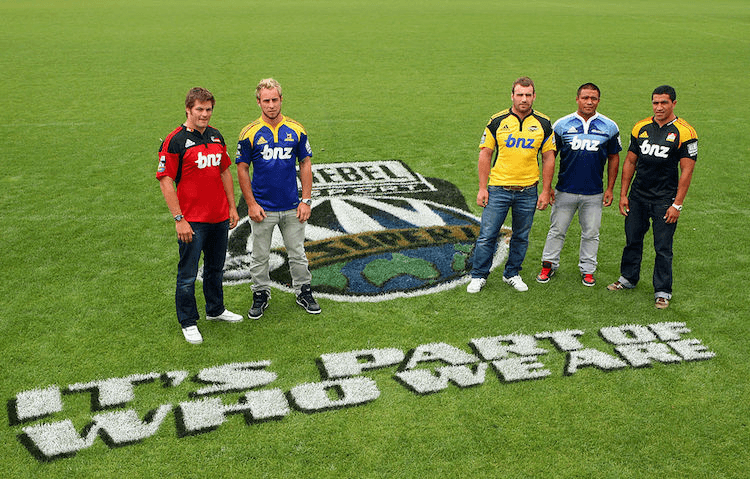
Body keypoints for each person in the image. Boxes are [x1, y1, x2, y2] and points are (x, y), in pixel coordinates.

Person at [157, 87, 243, 344]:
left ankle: (215, 310)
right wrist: (179, 218)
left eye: (208, 110)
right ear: (188, 109)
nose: (204, 114)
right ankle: (188, 321)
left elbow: (225, 172)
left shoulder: (216, 137)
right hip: (192, 222)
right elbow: (165, 180)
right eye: (199, 110)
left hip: (218, 218)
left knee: (215, 268)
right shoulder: (175, 140)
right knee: (187, 274)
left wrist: (231, 207)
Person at [236, 78, 320, 319]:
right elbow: (242, 169)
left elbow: (305, 163)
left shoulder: (296, 129)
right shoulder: (249, 133)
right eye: (266, 101)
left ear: (281, 99)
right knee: (260, 255)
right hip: (263, 208)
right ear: (258, 102)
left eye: (275, 100)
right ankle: (260, 293)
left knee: (297, 253)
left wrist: (306, 200)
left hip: (293, 206)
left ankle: (304, 291)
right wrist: (251, 204)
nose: (271, 105)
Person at [607, 85, 698, 309]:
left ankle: (663, 291)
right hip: (638, 196)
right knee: (632, 240)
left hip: (664, 200)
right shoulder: (641, 127)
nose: (659, 107)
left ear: (674, 104)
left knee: (663, 247)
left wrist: (677, 205)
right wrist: (624, 195)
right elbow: (630, 162)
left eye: (664, 103)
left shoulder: (685, 132)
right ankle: (628, 279)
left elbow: (687, 171)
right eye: (655, 103)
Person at [467, 76, 556, 293]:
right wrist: (482, 187)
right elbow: (485, 154)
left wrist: (545, 190)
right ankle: (478, 275)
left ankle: (512, 273)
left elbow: (549, 157)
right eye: (520, 95)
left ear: (534, 96)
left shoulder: (544, 123)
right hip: (498, 189)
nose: (524, 99)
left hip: (528, 191)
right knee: (488, 234)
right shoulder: (497, 121)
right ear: (512, 96)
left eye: (528, 95)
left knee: (521, 236)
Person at [536, 83, 622, 287]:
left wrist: (610, 188)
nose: (589, 102)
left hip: (594, 193)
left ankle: (588, 270)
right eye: (585, 98)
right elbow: (549, 158)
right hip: (564, 190)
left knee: (592, 233)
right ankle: (548, 265)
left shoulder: (609, 126)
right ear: (577, 99)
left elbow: (614, 158)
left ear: (599, 100)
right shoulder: (561, 125)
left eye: (593, 98)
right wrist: (547, 190)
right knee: (557, 230)